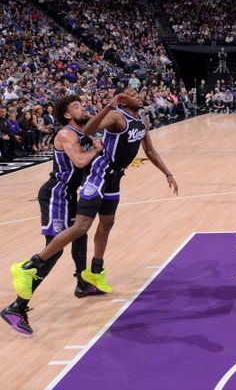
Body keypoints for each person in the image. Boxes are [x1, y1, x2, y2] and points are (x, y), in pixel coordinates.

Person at [10, 88, 178, 307]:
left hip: (115, 176)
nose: (139, 96)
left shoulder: (142, 119)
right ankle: (31, 266)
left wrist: (168, 173)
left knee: (107, 223)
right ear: (123, 100)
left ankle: (94, 271)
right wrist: (109, 105)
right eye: (133, 94)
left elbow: (150, 150)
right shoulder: (116, 115)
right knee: (81, 228)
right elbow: (89, 130)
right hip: (99, 173)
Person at [1, 96, 104, 336]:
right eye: (76, 106)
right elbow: (79, 161)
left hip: (68, 195)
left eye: (82, 104)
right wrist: (97, 150)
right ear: (67, 115)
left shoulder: (83, 132)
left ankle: (81, 283)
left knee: (80, 235)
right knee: (54, 250)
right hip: (56, 195)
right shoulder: (66, 133)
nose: (83, 108)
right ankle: (16, 307)